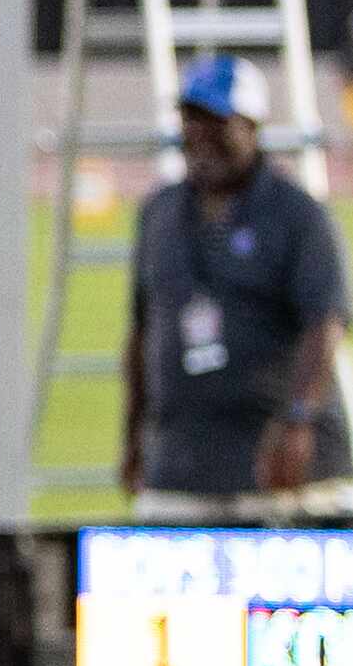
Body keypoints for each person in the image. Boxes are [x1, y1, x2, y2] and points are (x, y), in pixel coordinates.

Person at [120, 55, 353, 521]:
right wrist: (133, 435)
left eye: (216, 121)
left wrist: (298, 420)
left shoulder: (297, 216)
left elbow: (324, 322)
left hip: (279, 472)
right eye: (191, 119)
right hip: (181, 468)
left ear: (252, 126)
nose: (200, 134)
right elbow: (144, 332)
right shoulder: (160, 214)